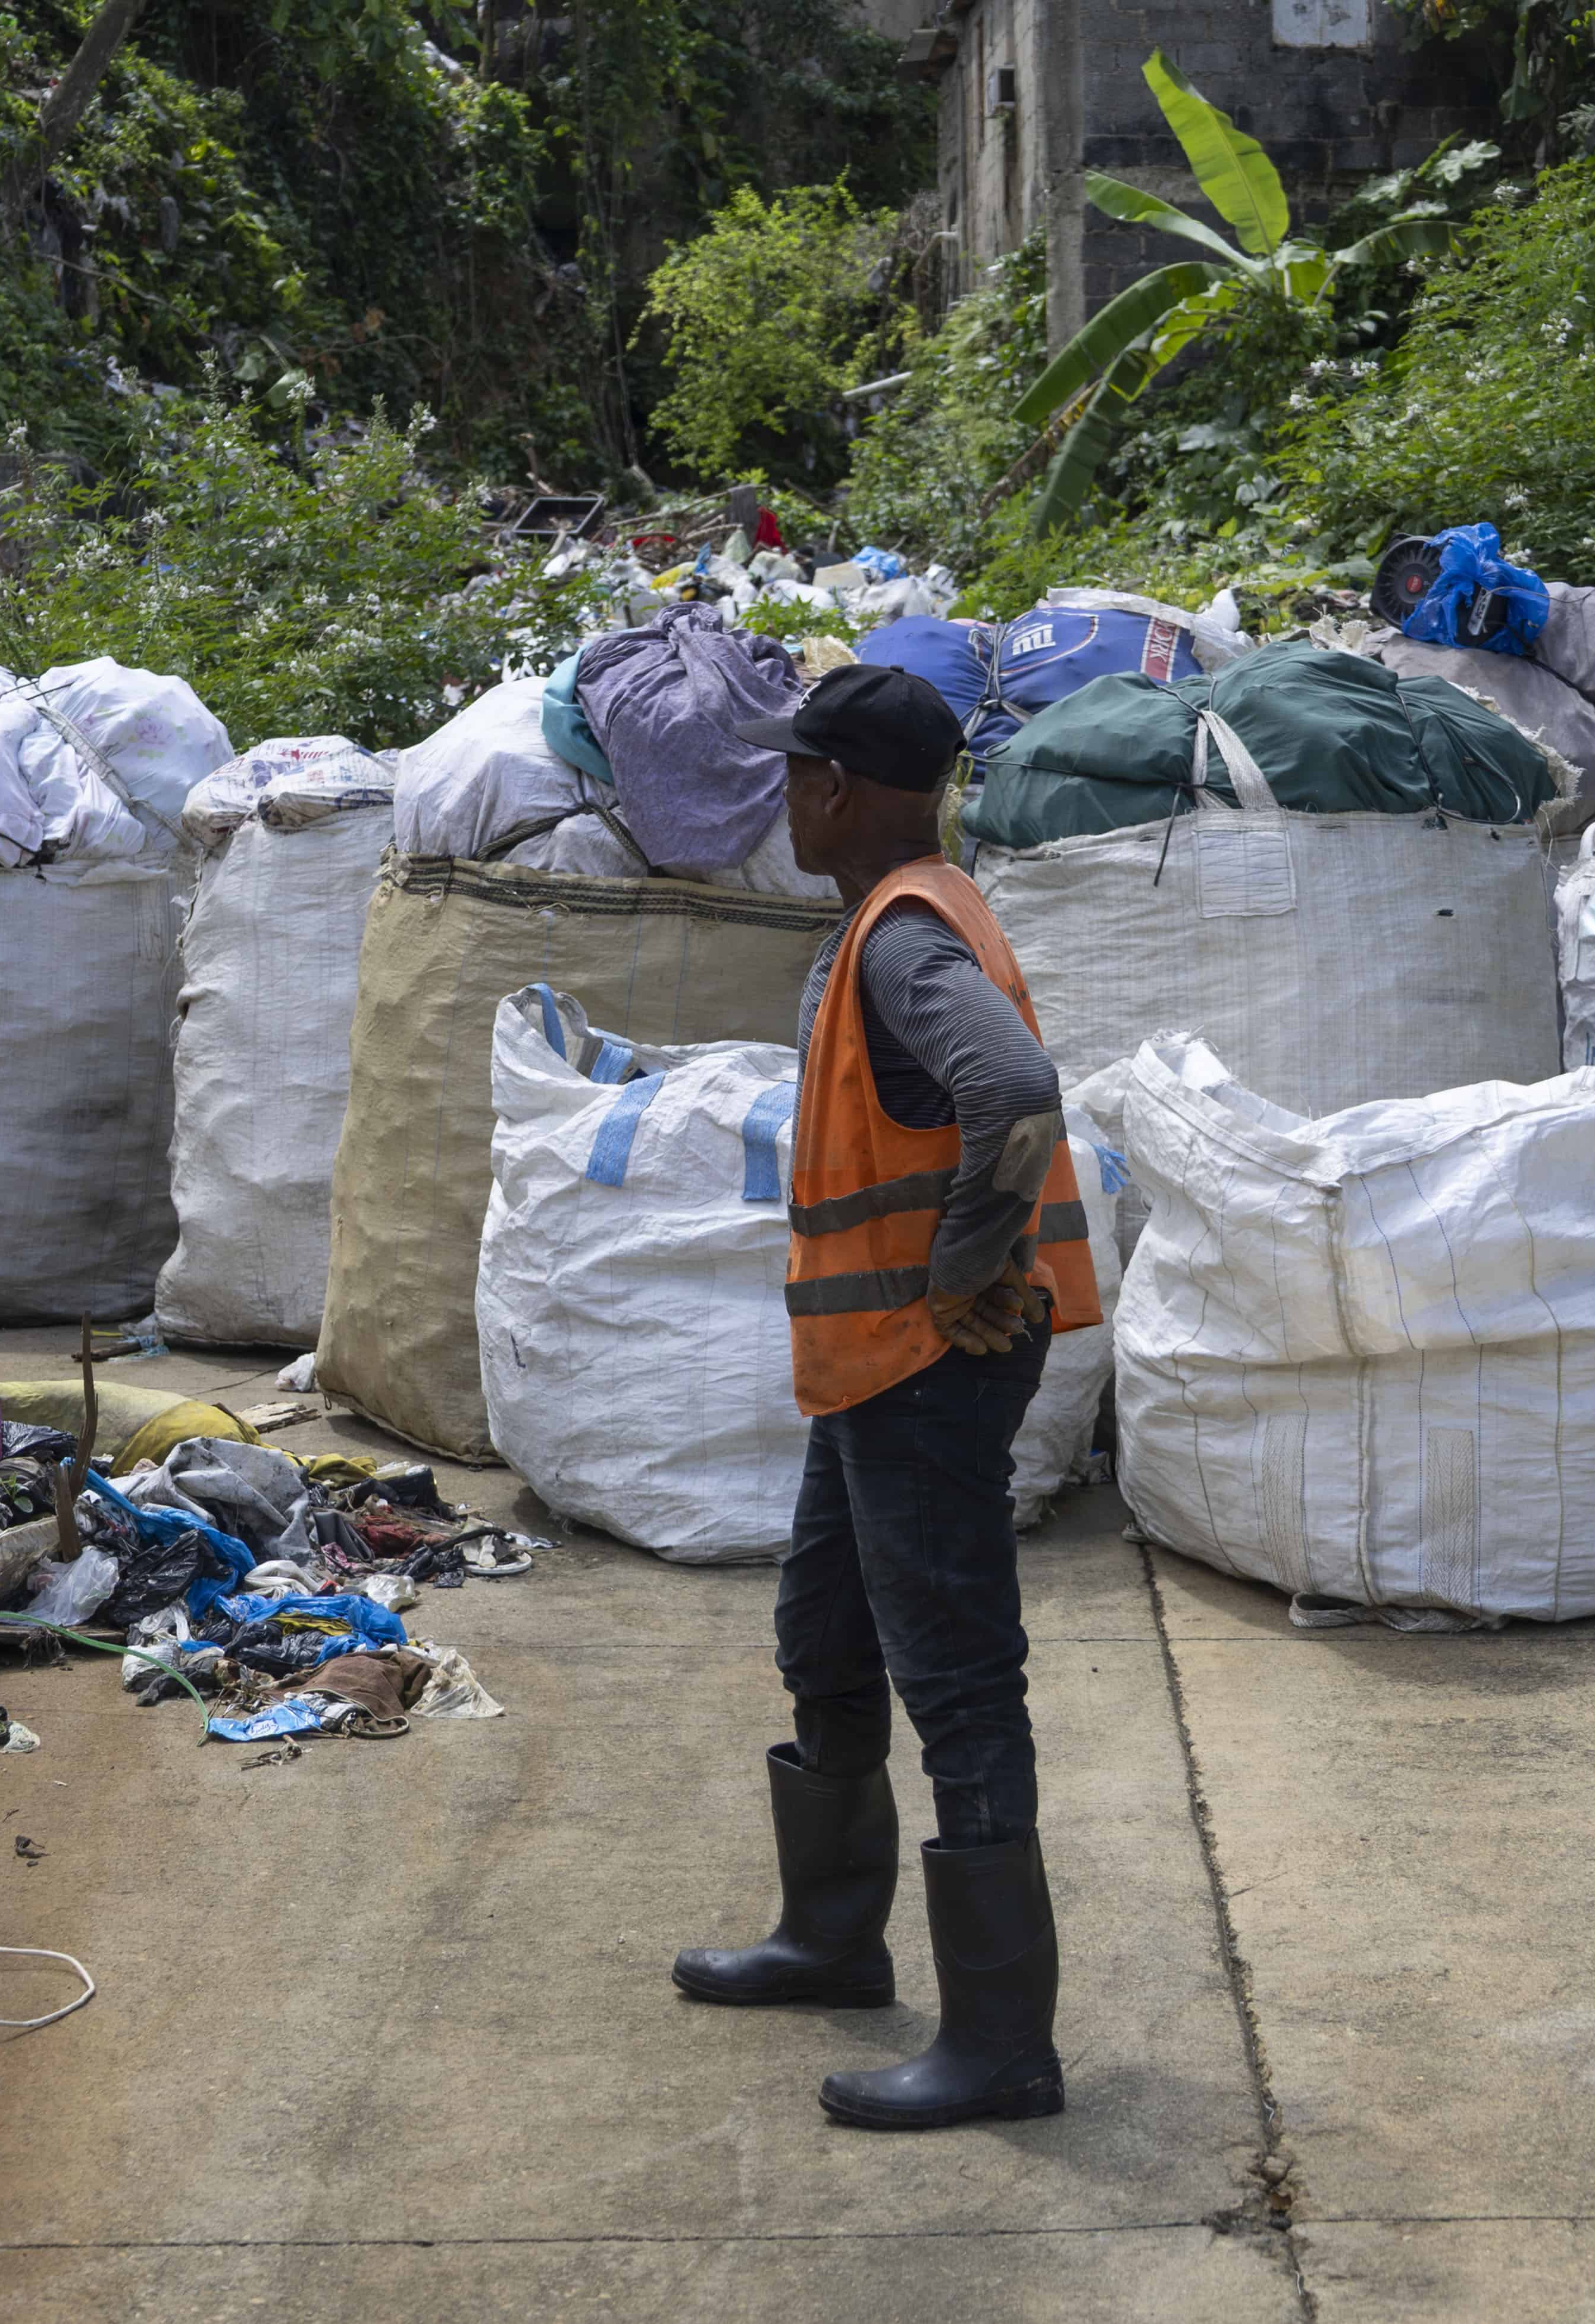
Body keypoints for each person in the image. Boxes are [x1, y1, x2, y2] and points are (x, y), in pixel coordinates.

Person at [673, 663, 1103, 2130]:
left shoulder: (900, 940)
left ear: (831, 787)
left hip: (925, 1368)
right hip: (873, 1373)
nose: (783, 799)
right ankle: (832, 1939)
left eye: (791, 776)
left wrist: (957, 1270)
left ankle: (999, 2046)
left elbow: (1017, 1088)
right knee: (827, 1635)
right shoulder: (908, 908)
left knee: (957, 1680)